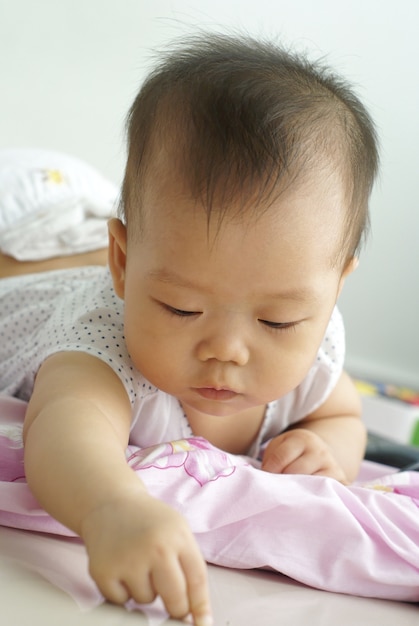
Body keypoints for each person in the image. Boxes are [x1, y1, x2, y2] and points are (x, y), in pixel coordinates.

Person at [0, 33, 379, 626]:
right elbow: (65, 433)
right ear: (123, 267)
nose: (226, 350)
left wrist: (330, 449)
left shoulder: (318, 344)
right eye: (180, 308)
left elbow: (342, 415)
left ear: (333, 291)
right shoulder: (104, 346)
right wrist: (110, 507)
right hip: (21, 244)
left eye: (277, 319)